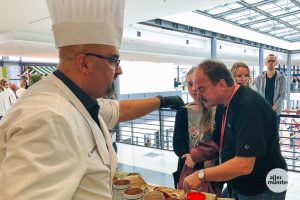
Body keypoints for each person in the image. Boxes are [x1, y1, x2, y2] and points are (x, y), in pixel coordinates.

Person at [0, 0, 184, 199]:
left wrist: (163, 101)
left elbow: (120, 109)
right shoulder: (49, 117)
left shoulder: (74, 99)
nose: (119, 70)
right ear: (85, 63)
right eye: (114, 60)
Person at [184, 60, 287, 200]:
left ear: (221, 84)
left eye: (202, 89)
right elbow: (220, 141)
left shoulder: (248, 107)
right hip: (240, 183)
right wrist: (194, 155)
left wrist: (201, 175)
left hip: (263, 186)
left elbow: (244, 165)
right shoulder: (225, 103)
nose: (197, 95)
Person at [172, 67, 220, 195]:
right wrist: (191, 158)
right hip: (189, 170)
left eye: (197, 83)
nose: (194, 88)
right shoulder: (183, 112)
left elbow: (220, 140)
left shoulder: (218, 109)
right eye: (190, 84)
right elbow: (178, 144)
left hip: (214, 171)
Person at [255, 54, 286, 128]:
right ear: (265, 63)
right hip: (262, 111)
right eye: (269, 61)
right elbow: (256, 94)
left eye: (273, 61)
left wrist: (273, 108)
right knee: (262, 135)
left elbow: (282, 95)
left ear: (276, 63)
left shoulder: (281, 78)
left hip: (275, 112)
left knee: (274, 136)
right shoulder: (259, 78)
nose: (271, 63)